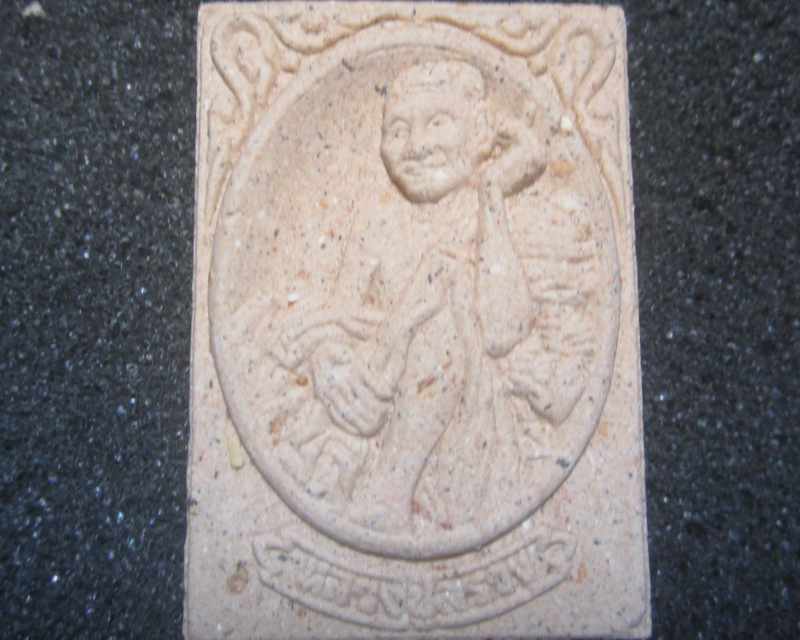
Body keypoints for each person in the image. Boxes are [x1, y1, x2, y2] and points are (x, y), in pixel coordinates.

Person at [269, 60, 568, 533]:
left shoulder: (492, 216)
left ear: (479, 136)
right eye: (398, 130)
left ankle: (387, 493)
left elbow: (504, 331)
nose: (416, 146)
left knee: (447, 288)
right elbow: (339, 313)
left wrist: (492, 190)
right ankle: (371, 485)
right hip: (377, 401)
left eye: (438, 122)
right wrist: (330, 360)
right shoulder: (376, 221)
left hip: (468, 441)